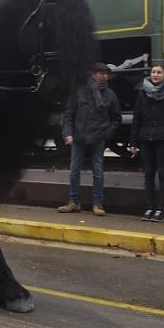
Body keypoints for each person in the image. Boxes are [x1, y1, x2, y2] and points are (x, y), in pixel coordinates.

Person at [57, 63, 122, 216]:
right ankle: (74, 202)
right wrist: (67, 133)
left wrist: (107, 134)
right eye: (101, 73)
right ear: (93, 74)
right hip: (79, 137)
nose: (105, 76)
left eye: (106, 73)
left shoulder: (110, 95)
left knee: (98, 171)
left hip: (98, 137)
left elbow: (116, 118)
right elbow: (69, 115)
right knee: (74, 171)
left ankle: (98, 204)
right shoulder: (79, 92)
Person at [128, 62, 164, 222]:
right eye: (153, 72)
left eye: (159, 72)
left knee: (162, 173)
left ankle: (161, 209)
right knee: (148, 173)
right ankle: (149, 207)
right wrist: (133, 142)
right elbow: (137, 119)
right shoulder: (141, 94)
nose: (155, 75)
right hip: (146, 137)